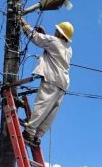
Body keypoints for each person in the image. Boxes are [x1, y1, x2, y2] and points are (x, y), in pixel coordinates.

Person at [20, 18, 73, 147]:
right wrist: (45, 34)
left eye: (56, 31)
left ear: (60, 33)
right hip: (64, 83)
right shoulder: (69, 49)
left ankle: (29, 132)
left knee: (42, 106)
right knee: (51, 113)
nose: (54, 32)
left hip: (52, 79)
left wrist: (24, 24)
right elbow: (52, 46)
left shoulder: (53, 41)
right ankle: (38, 137)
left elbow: (36, 38)